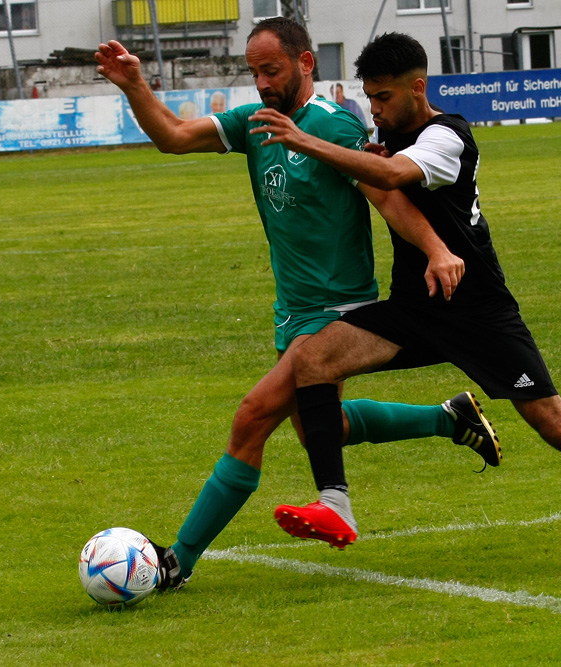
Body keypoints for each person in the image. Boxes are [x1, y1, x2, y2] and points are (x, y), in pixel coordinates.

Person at [250, 32, 561, 565]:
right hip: (417, 307)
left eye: (384, 98)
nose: (375, 109)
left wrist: (305, 140)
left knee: (557, 426)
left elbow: (393, 175)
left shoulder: (448, 136)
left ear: (418, 88)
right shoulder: (388, 137)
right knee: (311, 358)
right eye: (369, 98)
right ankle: (335, 503)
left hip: (480, 313)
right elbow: (380, 175)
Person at [94, 18, 501, 590]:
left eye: (272, 69)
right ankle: (448, 418)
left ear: (305, 64)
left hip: (337, 310)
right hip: (293, 309)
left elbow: (388, 197)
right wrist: (134, 84)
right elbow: (174, 136)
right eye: (254, 71)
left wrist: (437, 248)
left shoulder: (333, 126)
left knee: (252, 418)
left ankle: (177, 560)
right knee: (320, 430)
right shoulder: (255, 124)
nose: (261, 82)